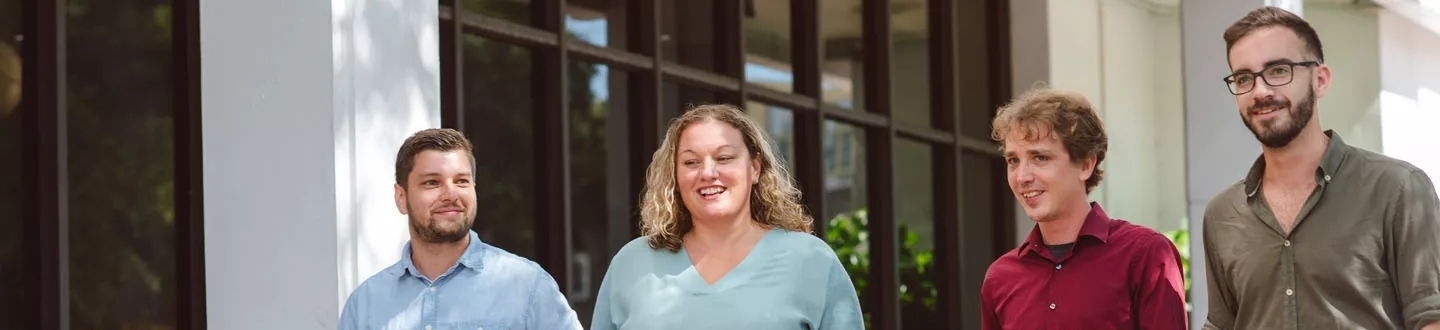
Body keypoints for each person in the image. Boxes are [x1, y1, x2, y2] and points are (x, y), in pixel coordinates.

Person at [1202, 6, 1440, 330]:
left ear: (1320, 79)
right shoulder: (1221, 214)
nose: (1260, 91)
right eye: (1244, 78)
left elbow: (1430, 318)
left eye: (1278, 70)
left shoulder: (1398, 189)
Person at [590, 104, 863, 329]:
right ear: (675, 176)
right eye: (690, 162)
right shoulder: (632, 264)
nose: (708, 173)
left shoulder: (812, 261)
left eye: (724, 158)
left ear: (755, 168)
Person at [980, 88, 1188, 329]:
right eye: (1013, 160)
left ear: (1086, 165)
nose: (1022, 176)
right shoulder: (1000, 278)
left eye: (1040, 158)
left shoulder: (1144, 255)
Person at [339, 128, 582, 330]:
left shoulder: (528, 286)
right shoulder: (365, 305)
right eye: (432, 182)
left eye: (461, 181)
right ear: (401, 198)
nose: (450, 194)